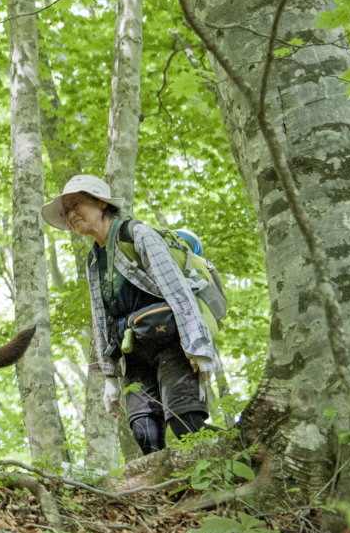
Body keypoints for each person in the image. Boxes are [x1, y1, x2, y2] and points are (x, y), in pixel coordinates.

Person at [42, 174, 219, 454]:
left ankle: (248, 452)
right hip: (134, 354)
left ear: (101, 202)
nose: (71, 214)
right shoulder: (93, 260)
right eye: (66, 212)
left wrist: (199, 347)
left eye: (76, 205)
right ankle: (175, 485)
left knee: (186, 425)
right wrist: (110, 377)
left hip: (173, 343)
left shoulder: (138, 235)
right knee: (145, 433)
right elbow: (101, 318)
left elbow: (178, 291)